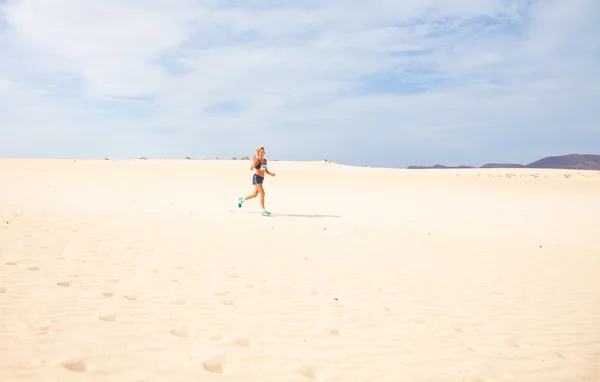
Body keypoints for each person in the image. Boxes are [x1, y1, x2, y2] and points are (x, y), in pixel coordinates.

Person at [237, 146, 276, 216]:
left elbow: (265, 170)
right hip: (256, 178)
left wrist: (271, 174)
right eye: (261, 152)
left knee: (254, 195)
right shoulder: (257, 160)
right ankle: (263, 210)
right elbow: (251, 168)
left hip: (261, 179)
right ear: (258, 153)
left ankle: (242, 200)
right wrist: (254, 163)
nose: (263, 153)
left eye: (263, 152)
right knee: (262, 193)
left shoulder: (265, 160)